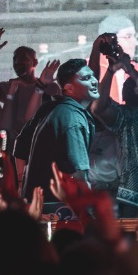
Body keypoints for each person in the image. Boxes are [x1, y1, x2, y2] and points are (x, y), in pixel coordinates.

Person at [91, 44, 138, 216]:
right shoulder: (127, 118)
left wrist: (131, 71)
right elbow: (98, 109)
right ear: (137, 90)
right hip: (133, 196)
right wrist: (111, 71)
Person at [17, 58, 98, 208]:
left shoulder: (50, 108)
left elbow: (20, 145)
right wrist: (93, 215)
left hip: (37, 205)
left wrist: (23, 187)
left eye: (92, 76)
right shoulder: (72, 117)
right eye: (86, 78)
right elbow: (79, 175)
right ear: (69, 88)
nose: (94, 81)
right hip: (57, 209)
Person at [0, 46, 61, 142]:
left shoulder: (51, 88)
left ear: (35, 62)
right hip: (15, 145)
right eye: (15, 60)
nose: (17, 63)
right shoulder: (10, 85)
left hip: (43, 142)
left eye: (23, 59)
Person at [88, 14, 138, 104]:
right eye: (128, 37)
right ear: (109, 41)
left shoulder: (136, 69)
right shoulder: (88, 70)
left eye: (135, 36)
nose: (136, 42)